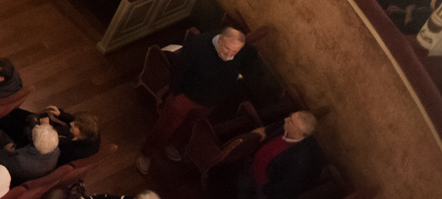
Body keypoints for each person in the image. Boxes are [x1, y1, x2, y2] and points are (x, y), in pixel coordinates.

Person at [137, 26, 257, 172]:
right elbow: (178, 70)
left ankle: (171, 145)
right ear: (220, 38)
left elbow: (248, 64)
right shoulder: (198, 46)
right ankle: (147, 153)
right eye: (227, 49)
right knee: (166, 126)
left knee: (188, 126)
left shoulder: (241, 51)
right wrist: (177, 93)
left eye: (235, 52)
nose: (229, 55)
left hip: (209, 103)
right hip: (185, 98)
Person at [239, 111, 323, 199]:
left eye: (291, 121)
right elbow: (271, 128)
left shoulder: (300, 159)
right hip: (251, 166)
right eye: (290, 116)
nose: (286, 119)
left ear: (298, 132)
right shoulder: (286, 128)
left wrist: (264, 189)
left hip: (260, 184)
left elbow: (286, 188)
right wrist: (265, 131)